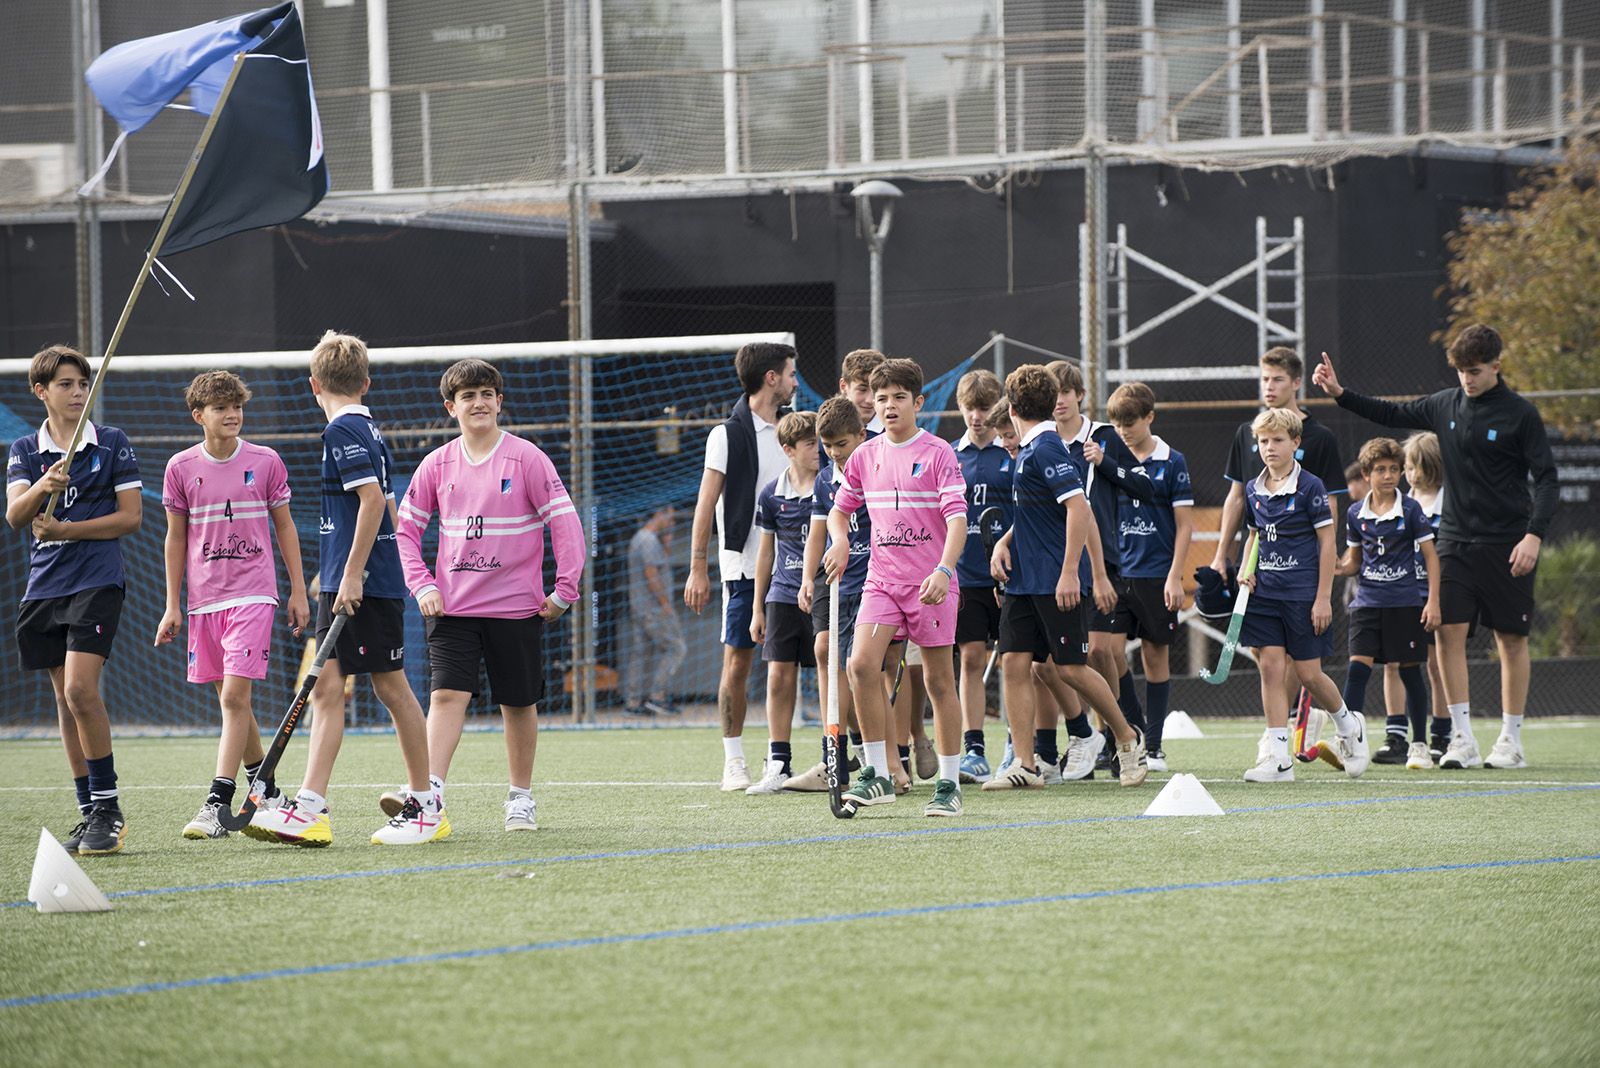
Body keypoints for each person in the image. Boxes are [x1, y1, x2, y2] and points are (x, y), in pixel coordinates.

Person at [1315, 325, 1558, 770]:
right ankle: (1461, 738)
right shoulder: (1446, 404)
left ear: (1496, 367)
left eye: (1476, 371)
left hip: (1508, 544)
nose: (1467, 379)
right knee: (1448, 634)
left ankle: (1511, 738)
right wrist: (1340, 393)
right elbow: (1390, 413)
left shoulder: (1520, 414)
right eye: (1461, 371)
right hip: (1455, 543)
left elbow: (1546, 478)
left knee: (1510, 638)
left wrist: (1533, 535)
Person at [246, 330, 439, 847]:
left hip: (363, 582)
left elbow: (374, 502)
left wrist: (355, 572)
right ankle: (311, 806)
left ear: (314, 384)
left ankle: (425, 805)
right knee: (328, 689)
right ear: (366, 380)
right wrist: (335, 571)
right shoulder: (371, 430)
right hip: (345, 577)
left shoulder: (343, 431)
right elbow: (388, 509)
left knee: (389, 686)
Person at [395, 357, 585, 832]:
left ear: (499, 403)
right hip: (453, 608)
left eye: (486, 395)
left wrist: (565, 589)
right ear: (450, 408)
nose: (478, 403)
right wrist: (422, 584)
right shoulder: (436, 464)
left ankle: (520, 798)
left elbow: (565, 525)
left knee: (518, 703)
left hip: (516, 609)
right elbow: (405, 533)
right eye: (467, 396)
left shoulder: (528, 459)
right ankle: (430, 795)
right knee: (445, 697)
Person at [155, 371, 310, 840]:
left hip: (254, 594)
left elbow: (285, 527)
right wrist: (172, 604)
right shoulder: (180, 467)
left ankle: (218, 805)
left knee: (234, 699)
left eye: (237, 406)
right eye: (221, 408)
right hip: (204, 602)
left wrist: (299, 590)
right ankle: (269, 792)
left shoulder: (265, 462)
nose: (232, 415)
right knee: (231, 702)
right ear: (198, 415)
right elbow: (175, 538)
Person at [982, 364, 1149, 791]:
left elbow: (1079, 509)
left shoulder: (1047, 449)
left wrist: (1071, 571)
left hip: (1055, 581)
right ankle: (1025, 764)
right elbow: (1039, 514)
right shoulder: (1030, 450)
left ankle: (1127, 738)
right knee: (1015, 663)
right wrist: (1005, 542)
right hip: (1024, 582)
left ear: (1014, 407)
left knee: (1072, 669)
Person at [6, 344, 142, 855]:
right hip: (45, 587)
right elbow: (16, 517)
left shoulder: (111, 442)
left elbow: (131, 518)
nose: (77, 392)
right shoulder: (25, 449)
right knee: (66, 703)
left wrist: (68, 527)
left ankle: (109, 807)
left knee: (82, 691)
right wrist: (45, 483)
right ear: (41, 391)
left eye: (82, 384)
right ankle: (89, 813)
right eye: (65, 384)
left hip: (97, 581)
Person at [823, 358, 968, 816]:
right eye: (881, 398)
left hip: (931, 584)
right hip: (882, 582)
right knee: (860, 665)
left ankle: (949, 785)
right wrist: (842, 540)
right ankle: (878, 774)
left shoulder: (939, 452)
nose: (888, 406)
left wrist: (943, 572)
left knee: (941, 681)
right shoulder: (865, 456)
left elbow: (958, 519)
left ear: (917, 402)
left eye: (898, 398)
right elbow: (839, 510)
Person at [1213, 347, 1348, 738]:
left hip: (1303, 564)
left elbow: (1330, 503)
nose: (1268, 386)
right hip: (1261, 561)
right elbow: (1237, 498)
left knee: (1303, 665)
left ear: (1295, 383)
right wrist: (1225, 555)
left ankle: (1313, 720)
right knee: (1267, 656)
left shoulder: (1319, 439)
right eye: (1264, 379)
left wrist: (1331, 554)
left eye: (1276, 379)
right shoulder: (1247, 434)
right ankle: (1279, 737)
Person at [684, 342, 798, 791]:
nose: (794, 380)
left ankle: (780, 760)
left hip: (792, 567)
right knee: (738, 663)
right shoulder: (726, 434)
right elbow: (706, 502)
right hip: (743, 567)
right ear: (771, 377)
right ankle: (734, 760)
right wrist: (699, 566)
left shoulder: (797, 430)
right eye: (790, 373)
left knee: (786, 665)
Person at [1238, 408, 1369, 782]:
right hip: (1265, 595)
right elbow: (1254, 537)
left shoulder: (1311, 486)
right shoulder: (1253, 488)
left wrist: (1322, 597)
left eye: (1278, 440)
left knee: (1310, 674)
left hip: (1303, 594)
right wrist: (1246, 573)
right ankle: (1278, 758)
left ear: (1296, 444)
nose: (1269, 447)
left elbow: (1327, 542)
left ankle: (1348, 725)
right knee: (1270, 666)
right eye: (1263, 441)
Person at [1047, 360, 1156, 775]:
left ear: (1079, 396)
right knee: (1057, 659)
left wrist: (1105, 462)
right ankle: (1086, 735)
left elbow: (1144, 483)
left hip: (1101, 558)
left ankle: (1119, 731)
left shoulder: (1101, 436)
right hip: (1055, 560)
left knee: (1100, 649)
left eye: (1066, 392)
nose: (1059, 400)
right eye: (1052, 393)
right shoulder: (1044, 441)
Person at [1335, 437, 1440, 770]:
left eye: (1394, 469)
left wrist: (1433, 601)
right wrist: (1330, 567)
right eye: (1380, 469)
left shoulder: (1410, 509)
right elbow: (1353, 562)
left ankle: (1420, 744)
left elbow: (1431, 558)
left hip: (1405, 604)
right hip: (1366, 604)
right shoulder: (1355, 513)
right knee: (1357, 669)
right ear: (1366, 474)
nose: (1389, 475)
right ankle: (1349, 739)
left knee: (1410, 672)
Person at [1104, 382, 1193, 772]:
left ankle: (1153, 746)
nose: (1124, 430)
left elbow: (1185, 526)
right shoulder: (1108, 459)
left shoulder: (1173, 461)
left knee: (1154, 656)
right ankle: (1131, 728)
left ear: (1149, 418)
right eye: (1117, 423)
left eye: (1131, 422)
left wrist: (1176, 576)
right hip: (1116, 572)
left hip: (1157, 574)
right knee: (1102, 652)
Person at [792, 397, 872, 792]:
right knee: (824, 650)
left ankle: (889, 756)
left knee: (869, 666)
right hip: (834, 574)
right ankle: (834, 751)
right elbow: (819, 529)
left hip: (873, 577)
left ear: (859, 436)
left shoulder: (877, 461)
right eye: (827, 446)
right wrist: (808, 578)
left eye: (841, 445)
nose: (834, 453)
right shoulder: (825, 478)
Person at [746, 411, 821, 793]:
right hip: (782, 596)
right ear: (789, 450)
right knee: (778, 676)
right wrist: (758, 607)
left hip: (824, 595)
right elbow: (765, 554)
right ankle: (778, 761)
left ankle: (834, 757)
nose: (818, 449)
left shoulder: (833, 486)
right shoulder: (772, 494)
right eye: (811, 443)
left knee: (831, 679)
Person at [951, 369, 1011, 783]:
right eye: (970, 408)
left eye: (984, 407)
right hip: (966, 575)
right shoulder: (950, 456)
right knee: (971, 657)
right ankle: (974, 748)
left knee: (1014, 661)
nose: (977, 416)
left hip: (1008, 575)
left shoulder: (1012, 452)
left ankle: (1016, 743)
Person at [1391, 431, 1451, 762]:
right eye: (1409, 467)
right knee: (1406, 664)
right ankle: (1404, 734)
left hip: (1436, 596)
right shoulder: (1403, 502)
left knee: (1438, 666)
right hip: (1405, 595)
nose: (1412, 474)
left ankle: (1443, 731)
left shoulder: (1447, 503)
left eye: (1419, 467)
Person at [623, 505, 685, 717]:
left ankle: (632, 702)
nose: (672, 523)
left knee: (640, 653)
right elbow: (651, 575)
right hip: (653, 608)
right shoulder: (648, 541)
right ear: (659, 514)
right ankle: (657, 697)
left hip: (638, 606)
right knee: (677, 648)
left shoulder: (640, 539)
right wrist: (665, 603)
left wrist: (667, 543)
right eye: (670, 517)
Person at [840, 348, 887, 433]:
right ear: (843, 386)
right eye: (862, 389)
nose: (869, 400)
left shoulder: (895, 433)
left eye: (875, 390)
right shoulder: (825, 430)